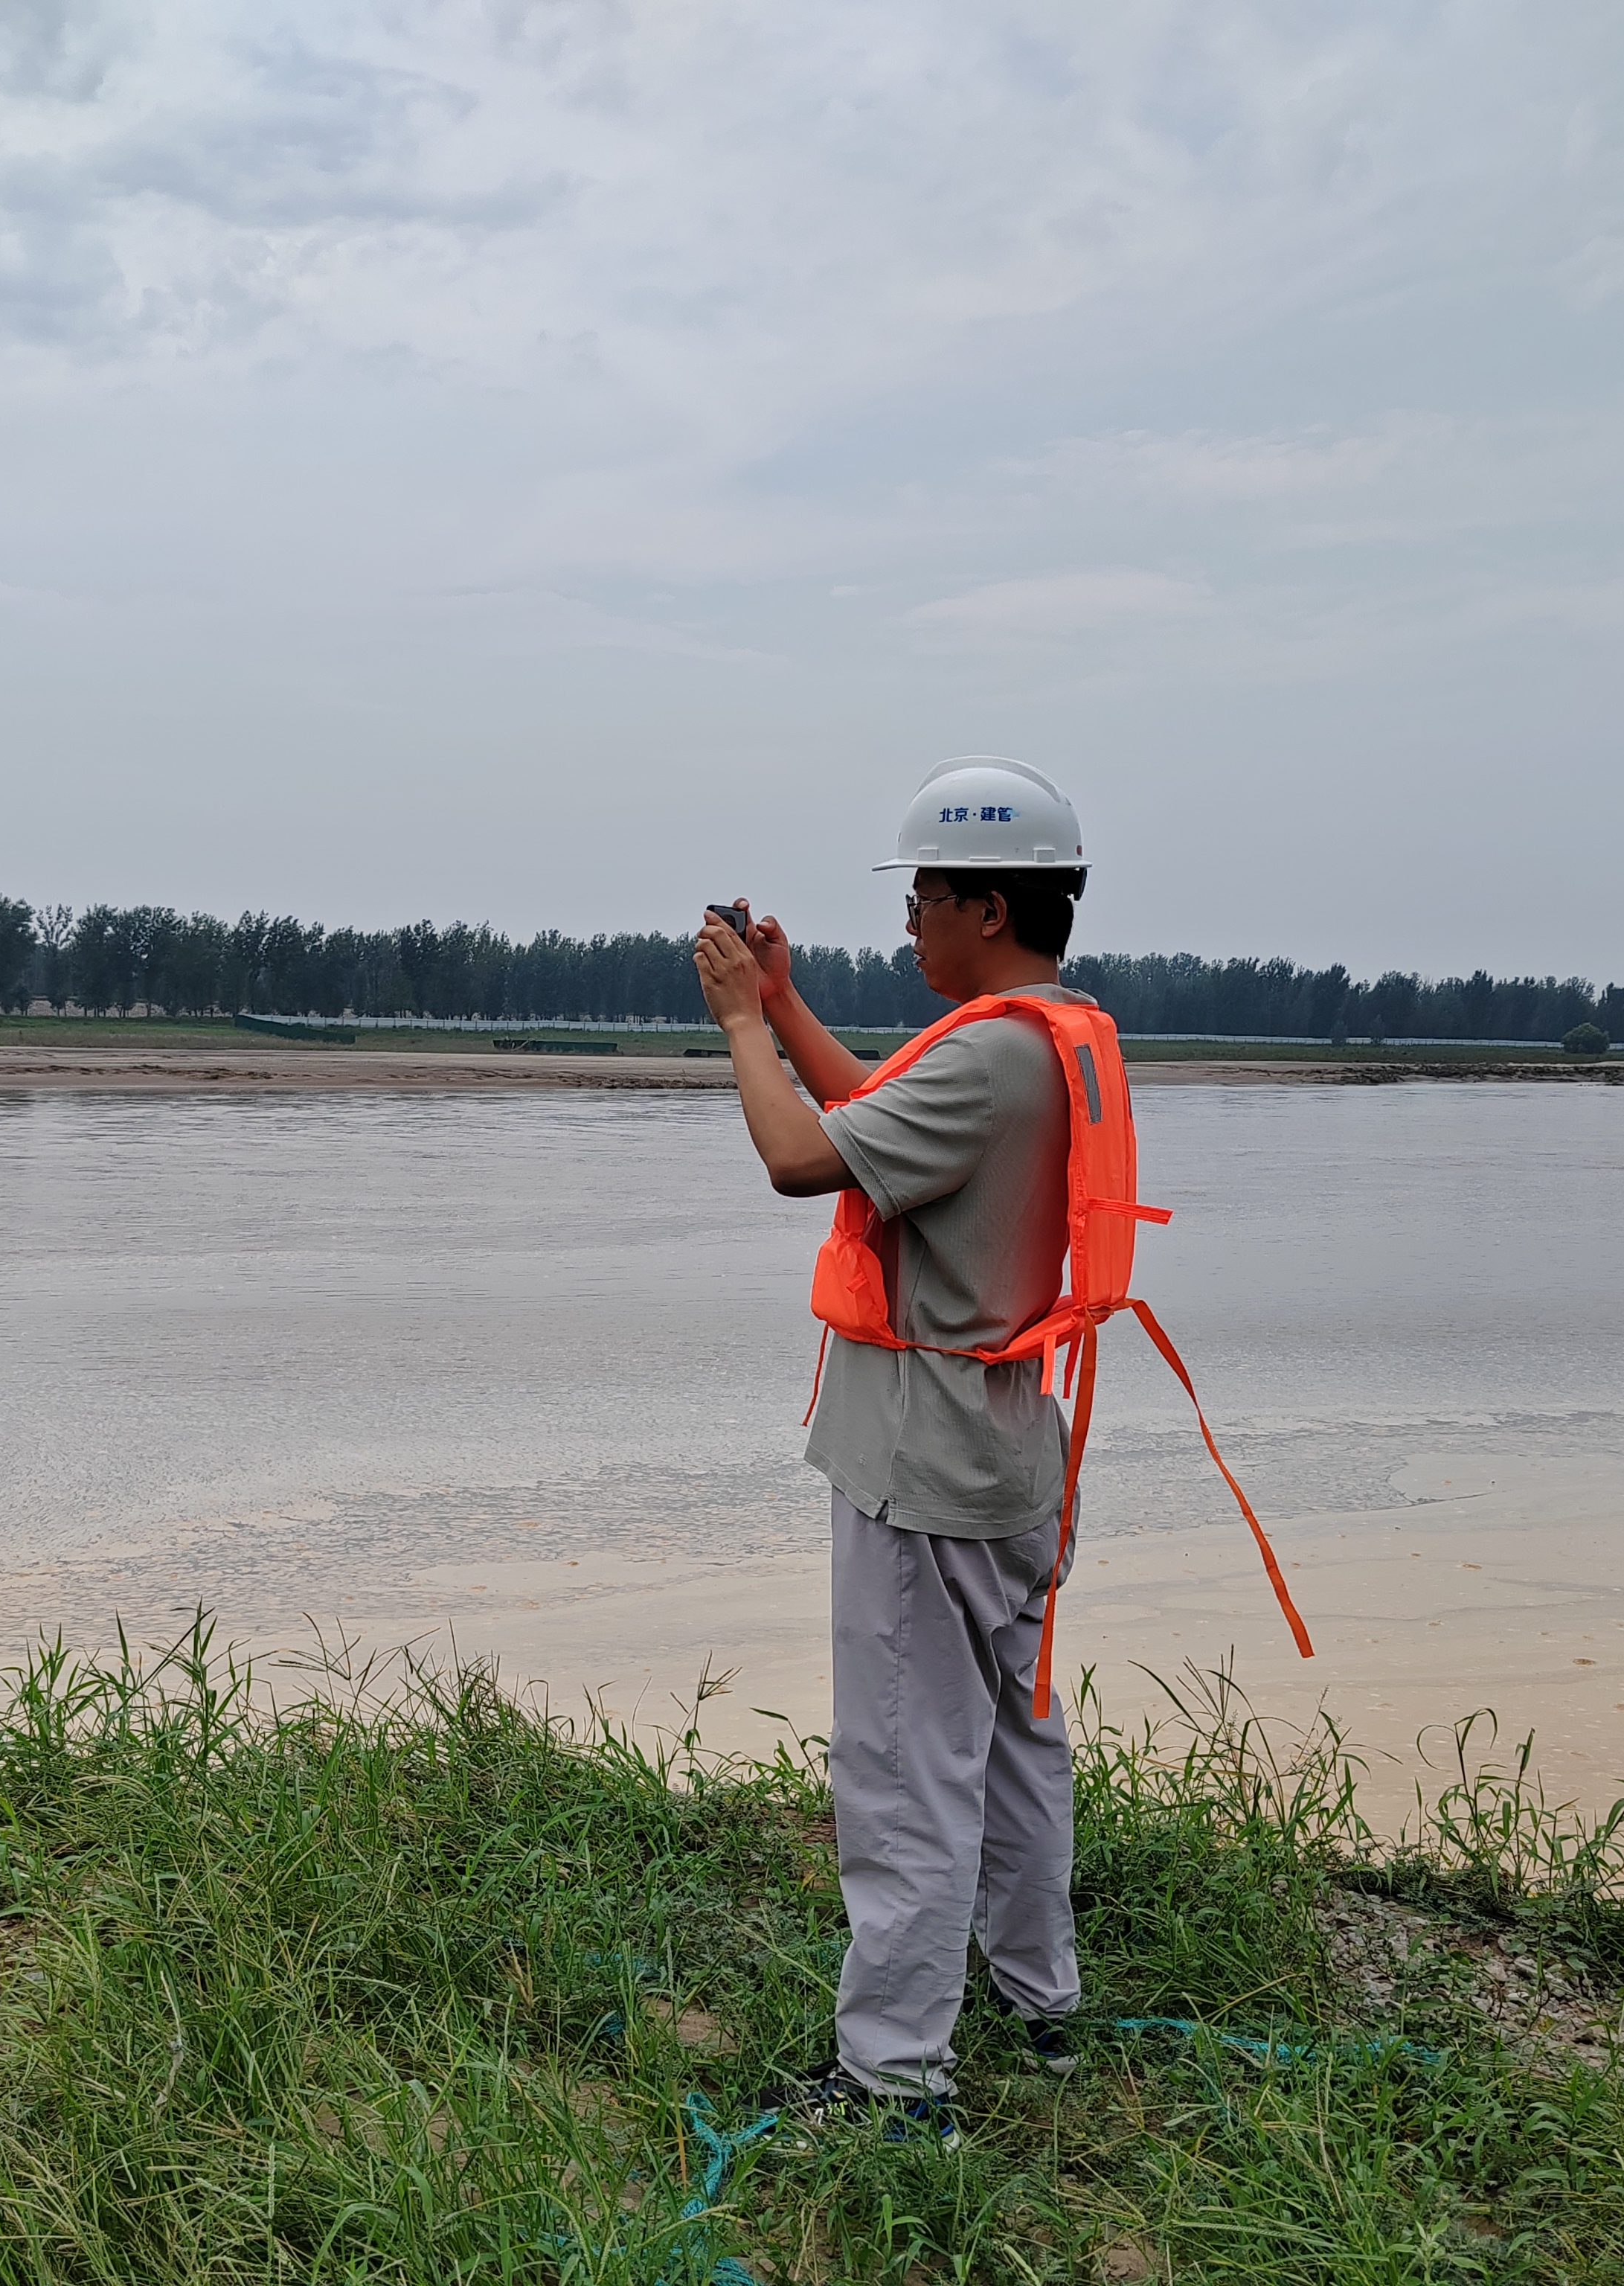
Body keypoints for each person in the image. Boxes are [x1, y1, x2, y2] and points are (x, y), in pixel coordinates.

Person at [690, 756, 1101, 2139]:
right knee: (1012, 1737)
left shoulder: (991, 1052)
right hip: (1011, 1453)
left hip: (922, 1471)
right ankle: (1038, 2000)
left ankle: (892, 2078)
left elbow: (802, 1160)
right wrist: (793, 1005)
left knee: (907, 1769)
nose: (911, 919)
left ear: (987, 906)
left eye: (926, 895)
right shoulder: (1046, 1038)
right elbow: (877, 1123)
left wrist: (741, 1020)